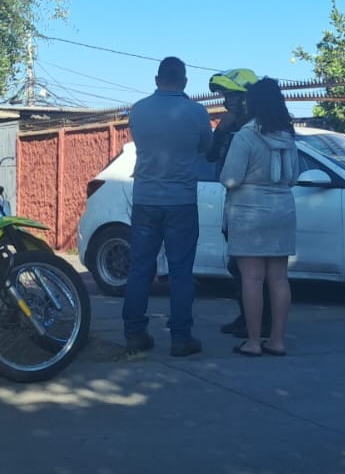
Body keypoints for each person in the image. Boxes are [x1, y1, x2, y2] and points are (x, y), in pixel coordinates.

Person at [122, 57, 214, 358]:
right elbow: (206, 149)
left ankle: (134, 333)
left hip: (146, 198)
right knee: (180, 271)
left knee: (140, 268)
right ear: (185, 81)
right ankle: (180, 337)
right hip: (181, 200)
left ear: (156, 78)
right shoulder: (196, 113)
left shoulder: (138, 110)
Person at [220, 77, 298, 357]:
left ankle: (253, 341)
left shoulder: (246, 135)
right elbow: (294, 176)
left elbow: (229, 178)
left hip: (249, 213)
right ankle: (277, 340)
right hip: (283, 210)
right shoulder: (288, 136)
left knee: (251, 279)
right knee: (279, 278)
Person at [206, 69, 271, 340]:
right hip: (243, 207)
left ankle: (257, 323)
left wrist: (226, 129)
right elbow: (211, 155)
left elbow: (228, 173)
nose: (227, 103)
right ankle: (250, 318)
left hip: (249, 208)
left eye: (232, 97)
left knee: (251, 270)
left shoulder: (251, 131)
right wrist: (223, 127)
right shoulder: (242, 127)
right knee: (243, 268)